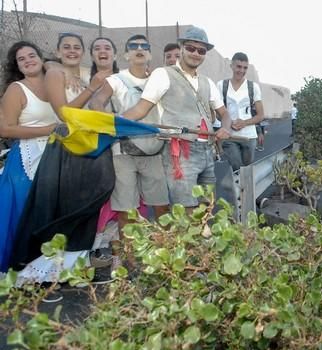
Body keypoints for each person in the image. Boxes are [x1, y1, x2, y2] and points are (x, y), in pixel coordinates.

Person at [9, 33, 115, 284]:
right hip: (57, 153)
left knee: (78, 212)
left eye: (77, 47)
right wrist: (91, 89)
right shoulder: (56, 73)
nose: (71, 51)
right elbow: (64, 113)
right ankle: (36, 277)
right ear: (57, 51)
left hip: (80, 153)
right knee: (52, 214)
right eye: (66, 47)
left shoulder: (82, 76)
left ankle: (68, 272)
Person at [122, 27, 231, 208]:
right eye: (190, 48)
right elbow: (141, 109)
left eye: (201, 51)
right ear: (181, 48)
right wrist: (115, 122)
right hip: (180, 154)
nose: (196, 53)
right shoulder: (163, 74)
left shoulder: (207, 82)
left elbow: (224, 113)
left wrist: (225, 128)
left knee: (206, 208)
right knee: (186, 210)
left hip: (208, 152)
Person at [90, 35, 170, 266]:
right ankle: (129, 262)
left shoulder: (160, 79)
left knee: (162, 206)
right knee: (126, 209)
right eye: (133, 46)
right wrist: (108, 118)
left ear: (150, 54)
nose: (139, 49)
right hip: (122, 152)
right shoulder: (116, 79)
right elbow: (98, 101)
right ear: (125, 54)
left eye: (144, 46)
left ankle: (167, 257)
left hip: (154, 151)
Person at [0, 42, 58, 272]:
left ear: (41, 57)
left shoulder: (56, 82)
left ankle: (49, 273)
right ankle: (24, 275)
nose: (28, 60)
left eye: (32, 55)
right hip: (26, 162)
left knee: (52, 215)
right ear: (17, 66)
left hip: (56, 157)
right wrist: (47, 130)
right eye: (21, 59)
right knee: (26, 216)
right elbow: (5, 130)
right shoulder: (16, 89)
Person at [217, 52, 264, 171]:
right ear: (231, 66)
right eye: (238, 66)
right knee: (237, 168)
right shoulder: (222, 85)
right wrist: (227, 122)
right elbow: (217, 111)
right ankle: (236, 188)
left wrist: (244, 122)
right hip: (230, 136)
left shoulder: (253, 87)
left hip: (249, 136)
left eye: (245, 68)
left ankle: (242, 189)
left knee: (247, 169)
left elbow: (260, 115)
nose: (241, 71)